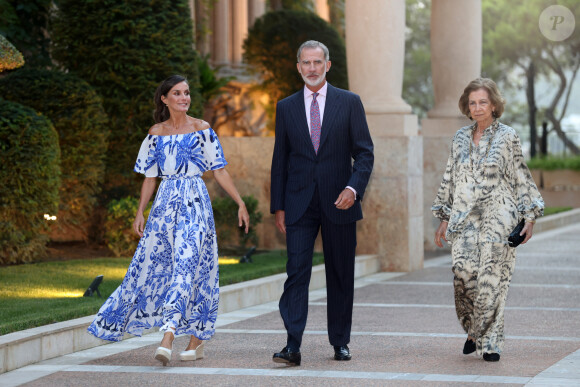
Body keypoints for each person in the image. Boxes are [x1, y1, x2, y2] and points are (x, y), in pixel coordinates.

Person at [88, 75, 250, 366]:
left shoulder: (203, 129)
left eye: (187, 93)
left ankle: (168, 335)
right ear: (165, 99)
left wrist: (240, 202)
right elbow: (150, 177)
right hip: (164, 206)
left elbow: (219, 171)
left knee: (188, 265)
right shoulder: (156, 133)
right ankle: (196, 340)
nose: (184, 98)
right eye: (177, 93)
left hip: (195, 203)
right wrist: (141, 211)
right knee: (156, 266)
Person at [270, 40, 374, 365]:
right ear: (298, 67)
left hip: (339, 202)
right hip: (299, 203)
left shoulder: (349, 102)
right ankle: (292, 345)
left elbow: (365, 153)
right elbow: (280, 160)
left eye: (317, 62)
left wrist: (353, 188)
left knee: (340, 273)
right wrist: (279, 206)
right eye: (306, 63)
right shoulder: (285, 107)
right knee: (296, 273)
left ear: (327, 65)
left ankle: (340, 341)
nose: (312, 68)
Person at [432, 78, 544, 362]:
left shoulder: (507, 136)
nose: (478, 107)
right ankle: (474, 329)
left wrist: (529, 217)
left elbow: (521, 177)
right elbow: (450, 177)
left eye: (483, 102)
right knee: (463, 273)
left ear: (494, 105)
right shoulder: (459, 138)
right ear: (467, 107)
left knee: (492, 280)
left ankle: (490, 342)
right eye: (473, 103)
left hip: (499, 216)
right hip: (463, 217)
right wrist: (444, 216)